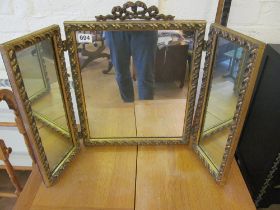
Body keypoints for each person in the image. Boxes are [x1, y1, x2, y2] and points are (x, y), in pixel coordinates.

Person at [105, 31, 158, 102]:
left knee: (145, 76)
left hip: (145, 25)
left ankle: (146, 110)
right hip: (114, 26)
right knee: (121, 75)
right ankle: (128, 107)